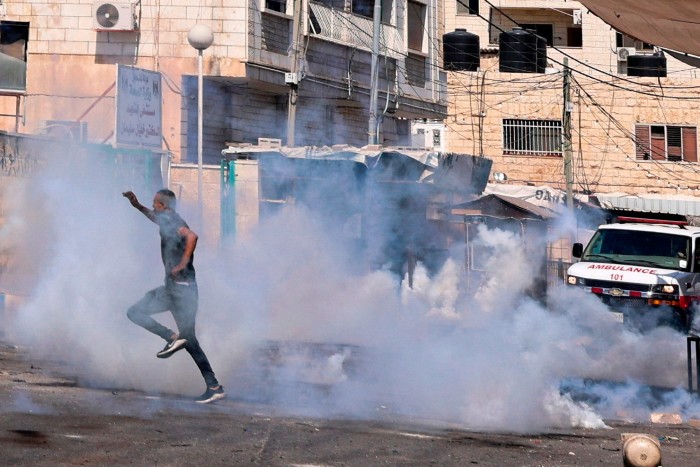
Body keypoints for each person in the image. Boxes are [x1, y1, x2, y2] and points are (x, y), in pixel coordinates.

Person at [122, 189, 225, 404]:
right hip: (175, 289)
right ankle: (213, 386)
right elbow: (153, 217)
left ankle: (172, 338)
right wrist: (137, 205)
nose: (152, 207)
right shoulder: (166, 218)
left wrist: (183, 263)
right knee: (189, 340)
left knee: (135, 313)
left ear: (162, 205)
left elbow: (192, 236)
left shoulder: (173, 219)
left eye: (153, 204)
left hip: (181, 290)